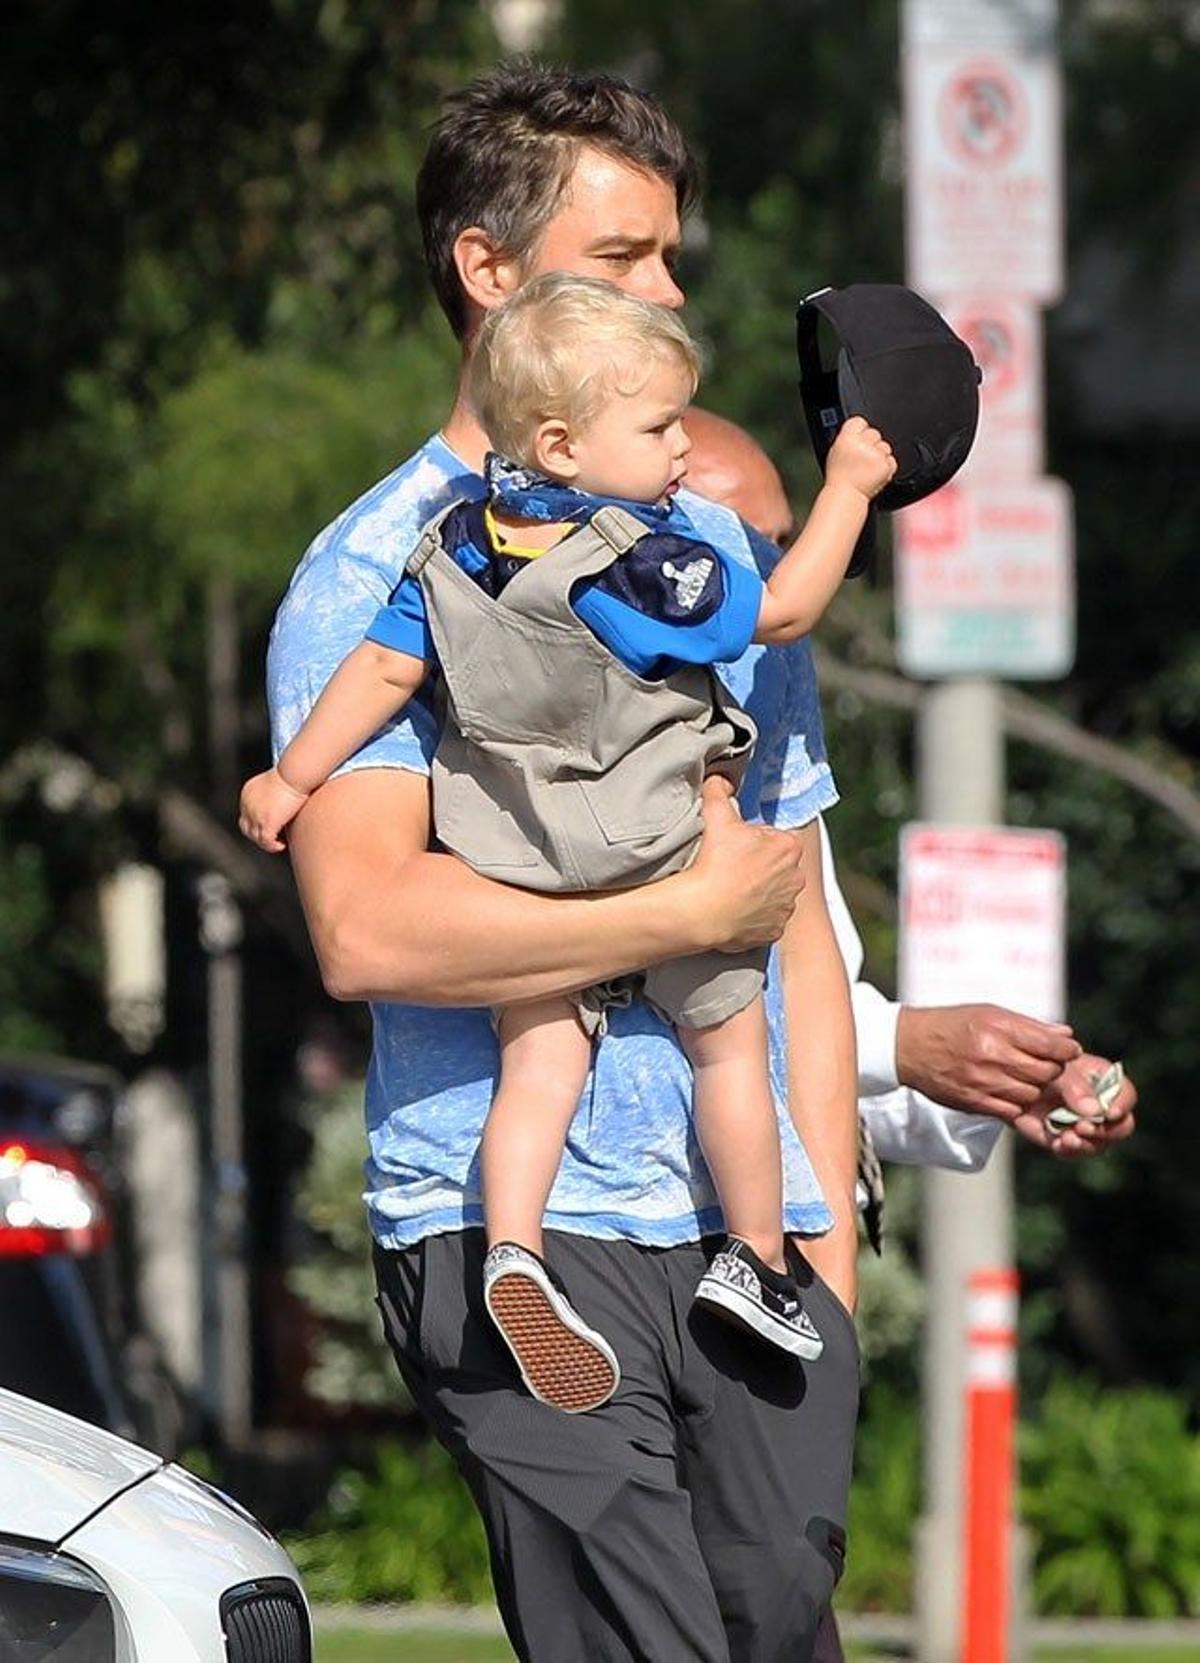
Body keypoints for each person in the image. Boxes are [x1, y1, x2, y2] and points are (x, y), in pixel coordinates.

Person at [268, 62, 1133, 1660]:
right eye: (623, 259)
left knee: (774, 1625)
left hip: (746, 1226)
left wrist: (820, 1227)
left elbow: (789, 908)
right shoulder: (383, 573)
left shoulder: (708, 551)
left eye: (673, 257)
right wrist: (680, 911)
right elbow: (369, 926)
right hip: (518, 1210)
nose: (672, 293)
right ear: (487, 269)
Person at [244, 273, 895, 1405]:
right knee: (730, 1054)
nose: (682, 452)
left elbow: (383, 669)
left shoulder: (453, 547)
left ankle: (511, 1248)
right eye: (657, 428)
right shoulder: (640, 564)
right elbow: (785, 609)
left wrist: (288, 776)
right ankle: (753, 1260)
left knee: (538, 1069)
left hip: (523, 869)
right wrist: (847, 486)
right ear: (562, 442)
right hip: (655, 848)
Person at [682, 405, 1138, 1663]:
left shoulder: (779, 749)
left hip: (787, 1287)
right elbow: (668, 1028)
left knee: (783, 1612)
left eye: (800, 543)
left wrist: (987, 1079)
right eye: (748, 549)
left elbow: (817, 1045)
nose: (792, 581)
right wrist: (915, 1045)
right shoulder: (595, 738)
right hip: (659, 1277)